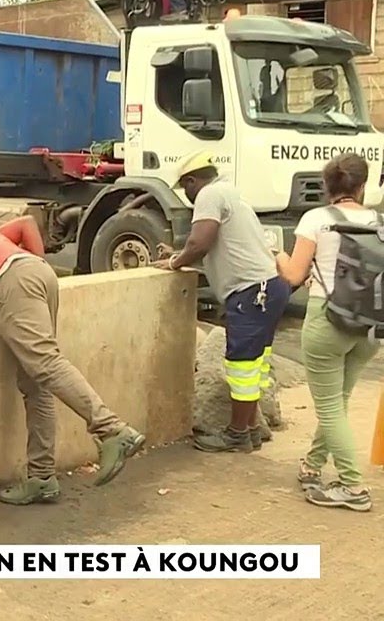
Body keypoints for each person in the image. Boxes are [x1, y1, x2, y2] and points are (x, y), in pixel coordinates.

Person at [0, 216, 145, 505]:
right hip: (38, 274)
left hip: (12, 284)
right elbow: (27, 224)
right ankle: (42, 477)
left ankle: (112, 430)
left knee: (46, 364)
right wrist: (37, 267)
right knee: (36, 383)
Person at [155, 150, 289, 453]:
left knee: (241, 366)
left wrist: (176, 262)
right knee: (255, 364)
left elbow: (200, 241)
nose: (187, 196)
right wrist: (178, 253)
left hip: (252, 293)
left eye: (185, 188)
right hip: (269, 288)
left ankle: (237, 433)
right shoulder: (232, 193)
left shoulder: (209, 194)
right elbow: (220, 247)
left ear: (192, 181)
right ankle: (252, 429)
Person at [274, 153, 375, 512]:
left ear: (327, 186)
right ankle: (313, 465)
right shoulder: (379, 221)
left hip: (327, 321)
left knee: (330, 408)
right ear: (362, 186)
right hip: (369, 326)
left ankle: (353, 486)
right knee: (338, 402)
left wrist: (276, 255)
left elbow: (293, 275)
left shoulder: (315, 219)